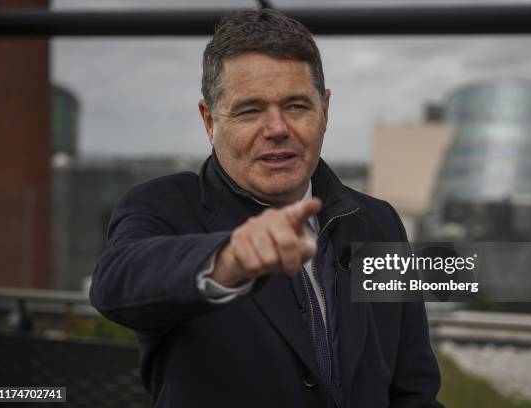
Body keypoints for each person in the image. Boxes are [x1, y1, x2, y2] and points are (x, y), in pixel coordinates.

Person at [90, 9, 442, 408]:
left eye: (295, 106)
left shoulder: (378, 223)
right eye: (250, 110)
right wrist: (229, 259)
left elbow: (412, 389)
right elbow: (116, 284)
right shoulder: (164, 206)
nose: (276, 128)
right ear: (209, 120)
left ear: (324, 109)